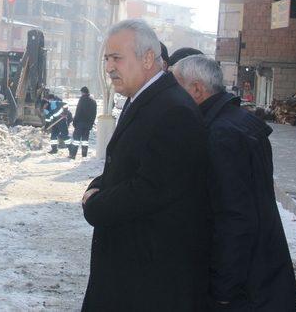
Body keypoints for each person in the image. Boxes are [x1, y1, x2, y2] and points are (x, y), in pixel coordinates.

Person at [81, 19, 209, 311]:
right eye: (106, 59)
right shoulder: (144, 98)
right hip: (130, 268)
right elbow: (125, 164)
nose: (109, 67)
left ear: (148, 58)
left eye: (117, 58)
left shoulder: (173, 110)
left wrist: (96, 205)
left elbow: (152, 188)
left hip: (147, 279)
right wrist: (97, 186)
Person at [172, 55, 296, 311]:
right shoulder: (236, 121)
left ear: (197, 89)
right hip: (264, 274)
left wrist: (222, 290)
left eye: (176, 88)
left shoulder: (220, 135)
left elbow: (234, 216)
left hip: (246, 289)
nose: (172, 97)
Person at [68, 86, 97, 159]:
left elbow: (78, 111)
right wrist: (91, 123)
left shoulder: (82, 99)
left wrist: (74, 122)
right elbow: (94, 113)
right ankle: (84, 155)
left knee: (76, 139)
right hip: (88, 124)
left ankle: (73, 155)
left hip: (80, 123)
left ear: (83, 92)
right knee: (85, 140)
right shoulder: (93, 101)